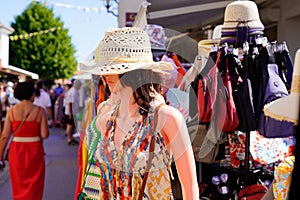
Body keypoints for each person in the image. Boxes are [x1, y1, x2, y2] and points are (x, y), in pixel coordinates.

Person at [78, 27, 199, 199]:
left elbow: (190, 186)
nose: (104, 75)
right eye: (103, 68)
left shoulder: (166, 117)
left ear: (134, 72)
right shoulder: (105, 111)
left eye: (112, 68)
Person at [0, 80, 49, 200]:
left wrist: (0, 155)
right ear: (32, 94)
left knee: (18, 184)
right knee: (35, 185)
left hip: (16, 150)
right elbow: (44, 134)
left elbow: (5, 136)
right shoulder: (40, 111)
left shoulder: (11, 111)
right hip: (35, 150)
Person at [64, 79, 82, 145]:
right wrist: (70, 113)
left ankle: (71, 138)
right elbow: (70, 103)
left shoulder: (75, 91)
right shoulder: (73, 92)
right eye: (79, 85)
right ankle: (69, 139)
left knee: (72, 125)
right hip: (70, 112)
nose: (80, 87)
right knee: (70, 125)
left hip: (73, 112)